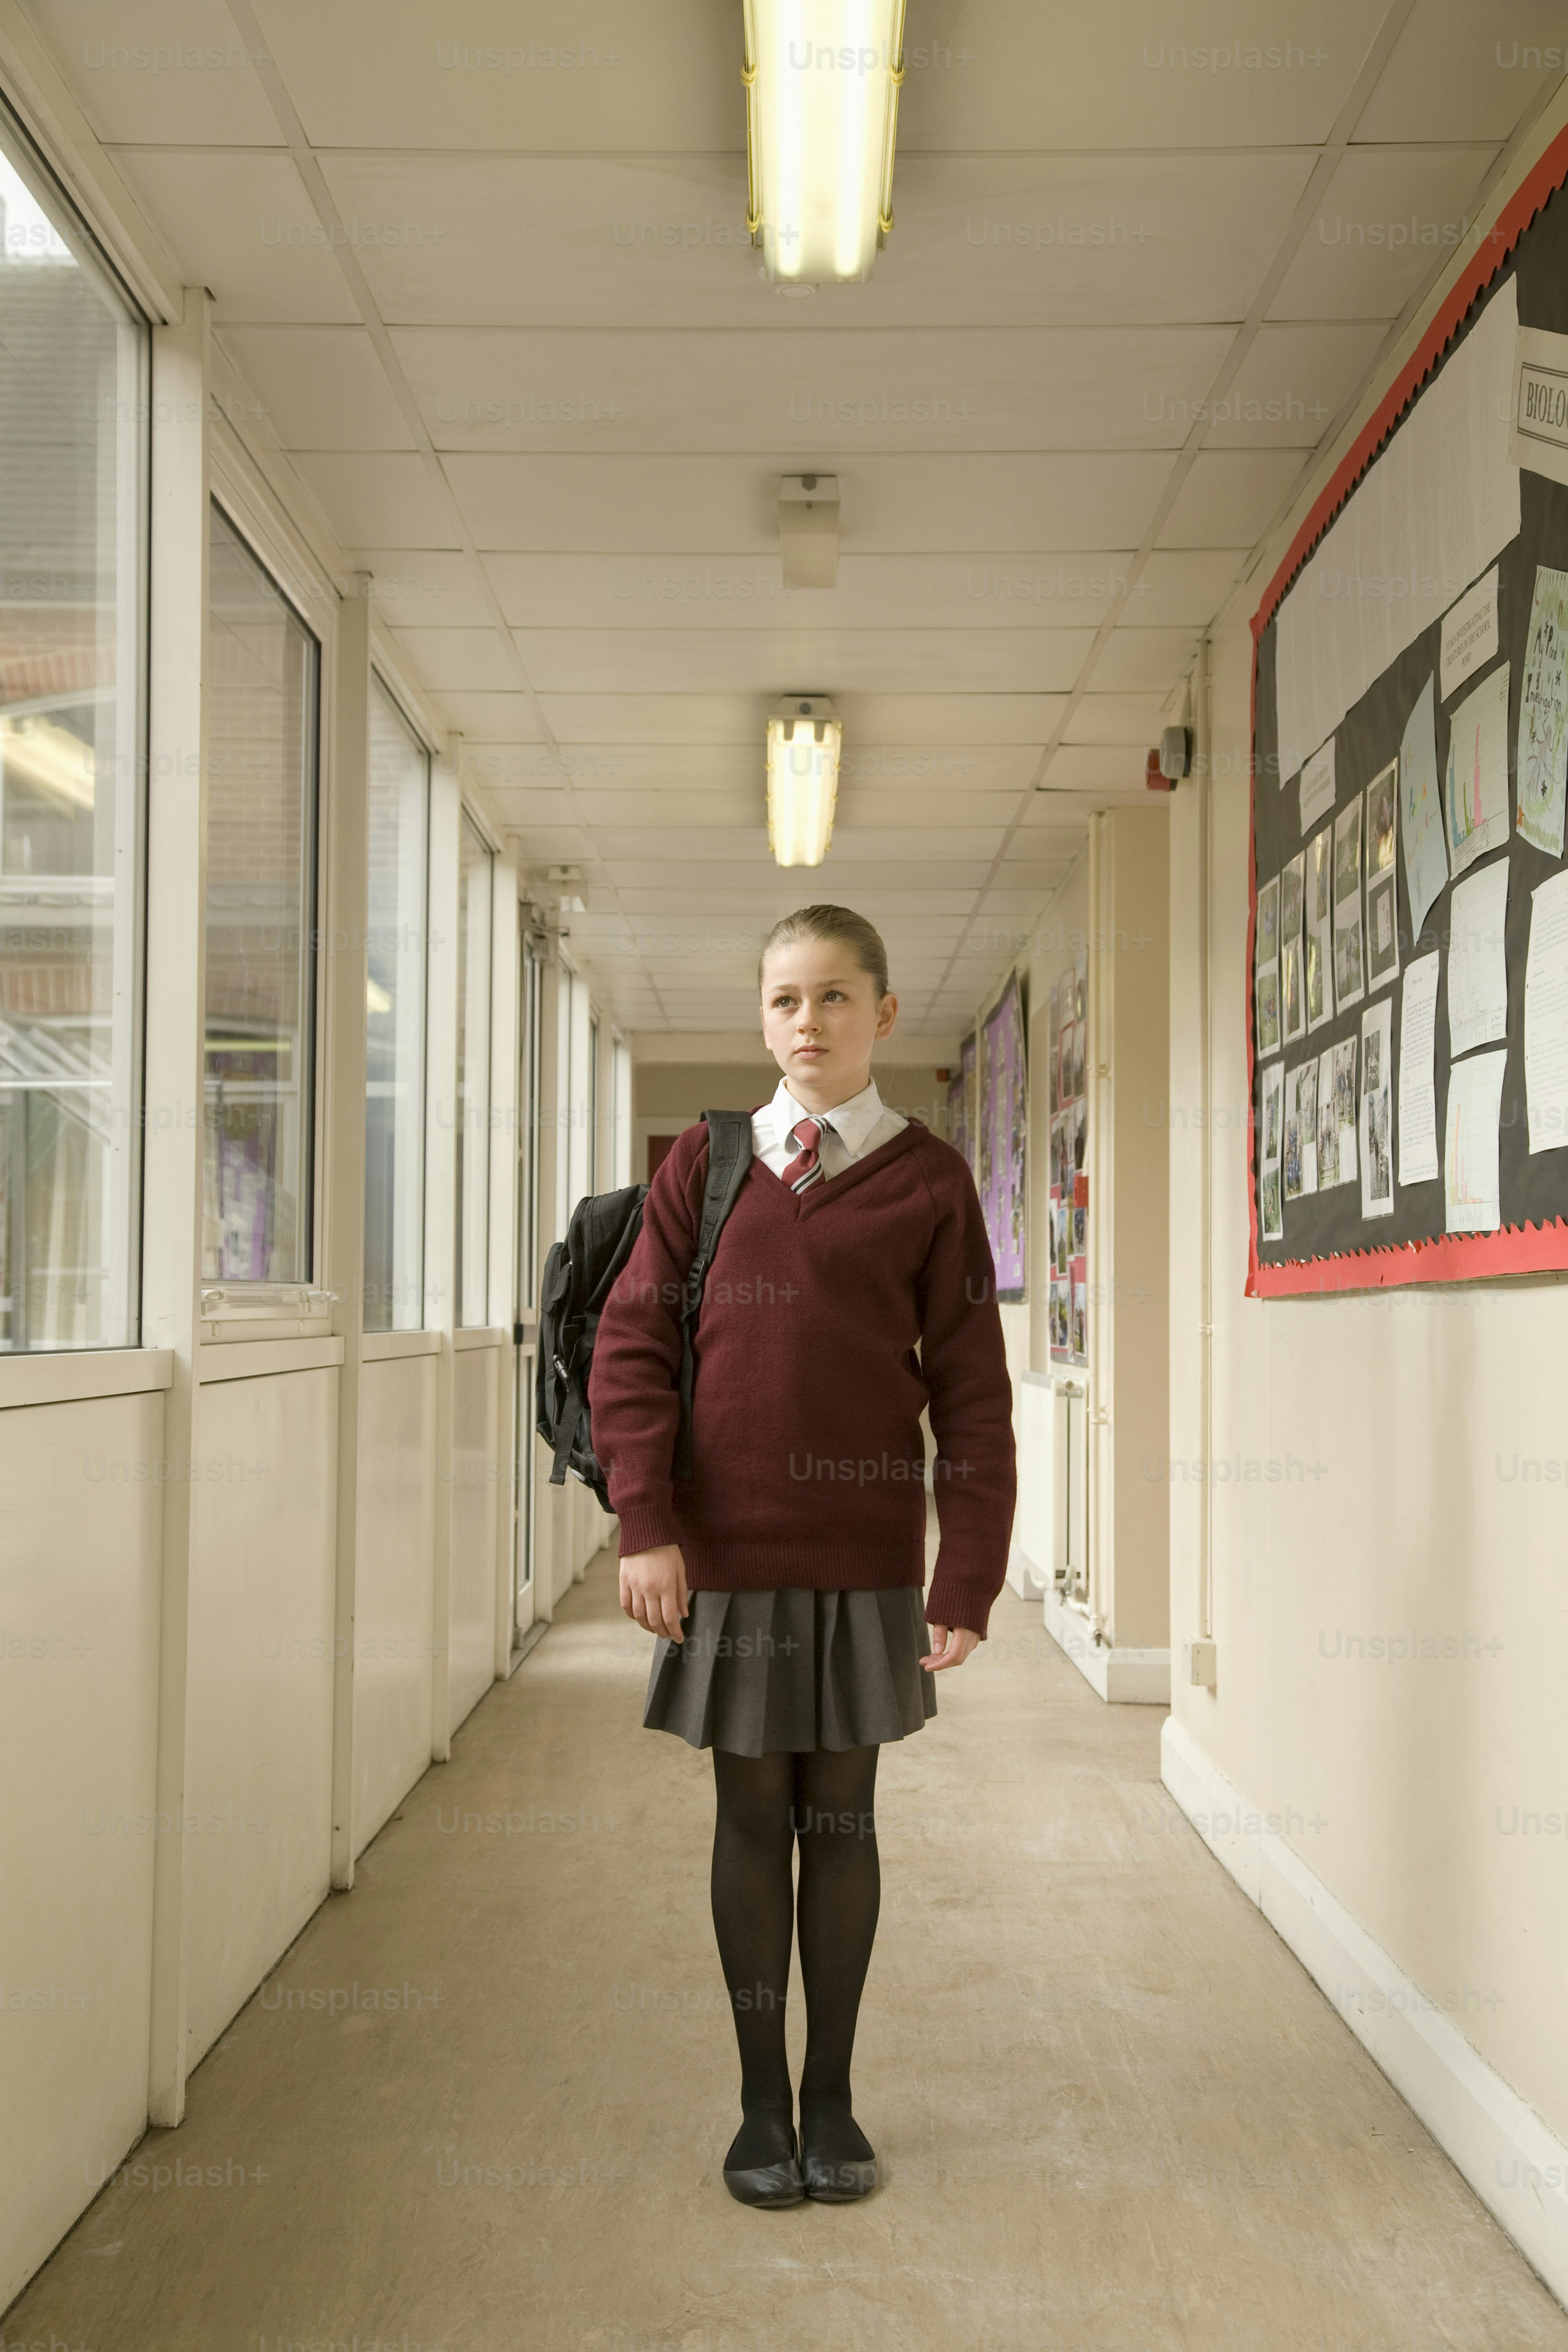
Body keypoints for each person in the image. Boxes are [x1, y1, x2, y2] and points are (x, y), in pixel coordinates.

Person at [588, 903, 1016, 2208]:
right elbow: (632, 1354)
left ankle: (830, 2098)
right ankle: (756, 2102)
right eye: (783, 999)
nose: (807, 1022)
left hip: (863, 1557)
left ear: (881, 1014)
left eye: (834, 997)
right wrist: (646, 1521)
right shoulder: (704, 1168)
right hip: (726, 1555)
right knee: (747, 1814)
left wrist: (967, 1576)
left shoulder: (927, 1178)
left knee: (840, 1820)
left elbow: (973, 1392)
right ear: (760, 1017)